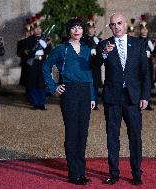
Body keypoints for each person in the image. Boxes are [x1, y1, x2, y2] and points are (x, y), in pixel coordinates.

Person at [97, 12, 150, 185]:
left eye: (119, 23)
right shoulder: (104, 45)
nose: (116, 27)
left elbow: (145, 73)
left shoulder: (138, 44)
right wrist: (104, 53)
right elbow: (94, 65)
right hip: (112, 98)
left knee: (135, 136)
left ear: (125, 24)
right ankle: (113, 173)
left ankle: (136, 173)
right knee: (112, 137)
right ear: (110, 27)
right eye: (113, 24)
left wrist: (145, 96)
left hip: (133, 98)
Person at [43, 18, 95, 185]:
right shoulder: (61, 49)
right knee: (72, 132)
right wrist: (53, 87)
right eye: (73, 28)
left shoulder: (87, 49)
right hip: (70, 92)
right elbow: (45, 66)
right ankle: (74, 173)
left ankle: (81, 170)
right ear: (69, 31)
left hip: (85, 93)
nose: (77, 30)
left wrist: (93, 96)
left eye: (80, 27)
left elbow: (90, 75)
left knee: (83, 133)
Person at [23, 14, 52, 110]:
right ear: (33, 29)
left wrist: (45, 46)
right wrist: (35, 51)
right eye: (36, 28)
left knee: (42, 83)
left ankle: (42, 103)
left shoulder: (46, 39)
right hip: (33, 63)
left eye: (39, 28)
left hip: (42, 63)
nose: (38, 30)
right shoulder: (28, 40)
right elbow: (26, 53)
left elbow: (49, 52)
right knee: (33, 83)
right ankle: (35, 103)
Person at [82, 14, 102, 110]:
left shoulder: (99, 40)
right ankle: (86, 103)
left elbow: (102, 52)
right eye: (89, 28)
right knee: (86, 84)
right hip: (86, 65)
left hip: (95, 65)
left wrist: (98, 44)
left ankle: (95, 103)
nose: (91, 30)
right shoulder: (83, 40)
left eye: (92, 28)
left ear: (95, 29)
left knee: (95, 84)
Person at [139, 14, 155, 110]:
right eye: (142, 29)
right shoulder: (137, 41)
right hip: (140, 64)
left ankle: (148, 103)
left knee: (148, 83)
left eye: (146, 29)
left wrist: (153, 49)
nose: (144, 31)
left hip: (149, 64)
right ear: (140, 30)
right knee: (140, 83)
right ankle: (140, 102)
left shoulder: (151, 41)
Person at [17, 18, 32, 101]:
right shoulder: (21, 41)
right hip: (25, 62)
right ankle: (28, 96)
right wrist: (24, 52)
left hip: (34, 62)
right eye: (26, 31)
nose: (28, 33)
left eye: (29, 31)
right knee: (27, 81)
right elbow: (18, 53)